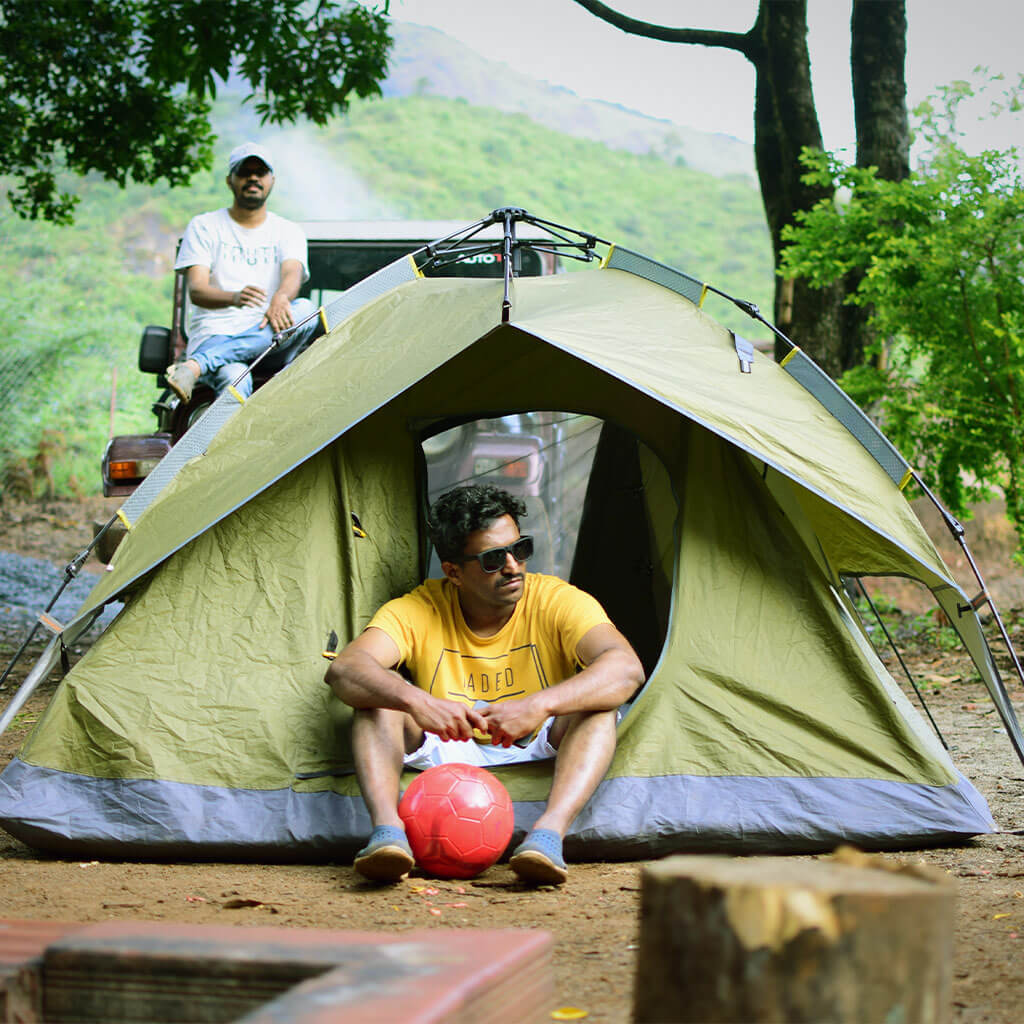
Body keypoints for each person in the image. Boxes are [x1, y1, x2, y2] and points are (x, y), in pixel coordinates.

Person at [325, 484, 645, 886]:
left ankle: (546, 838)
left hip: (535, 736)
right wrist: (416, 700)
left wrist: (540, 705)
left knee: (599, 705)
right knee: (378, 694)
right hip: (445, 739)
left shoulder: (557, 599)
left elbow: (626, 669)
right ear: (454, 572)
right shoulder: (418, 607)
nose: (514, 566)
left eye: (521, 549)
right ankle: (388, 837)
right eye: (494, 559)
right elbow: (346, 669)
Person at [165, 141, 322, 403]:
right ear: (230, 180)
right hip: (215, 334)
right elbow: (197, 290)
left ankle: (196, 366)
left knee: (306, 309)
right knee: (235, 376)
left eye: (260, 172)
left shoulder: (289, 231)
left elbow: (292, 273)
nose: (252, 178)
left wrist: (281, 297)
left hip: (271, 341)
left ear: (271, 179)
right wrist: (235, 297)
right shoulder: (204, 226)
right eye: (244, 172)